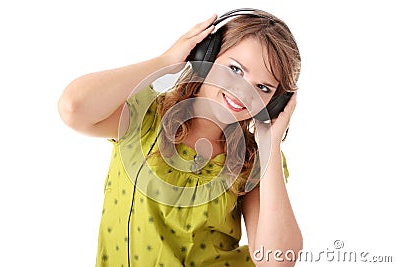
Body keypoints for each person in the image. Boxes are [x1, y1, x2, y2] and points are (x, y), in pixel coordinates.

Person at [58, 8, 302, 267]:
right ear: (205, 55)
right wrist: (165, 62)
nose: (243, 91)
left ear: (275, 102)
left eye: (263, 88)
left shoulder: (254, 159)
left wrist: (271, 144)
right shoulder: (146, 117)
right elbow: (73, 108)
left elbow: (277, 260)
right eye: (235, 70)